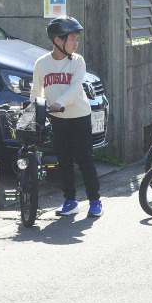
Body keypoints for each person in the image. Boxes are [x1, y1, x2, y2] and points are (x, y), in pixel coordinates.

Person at [32, 16, 101, 217]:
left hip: (79, 116)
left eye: (77, 39)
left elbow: (74, 88)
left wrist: (58, 103)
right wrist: (36, 110)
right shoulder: (42, 63)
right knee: (64, 161)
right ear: (57, 40)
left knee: (85, 159)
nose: (75, 43)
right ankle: (70, 201)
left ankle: (95, 201)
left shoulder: (77, 61)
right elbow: (37, 92)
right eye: (72, 39)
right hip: (58, 119)